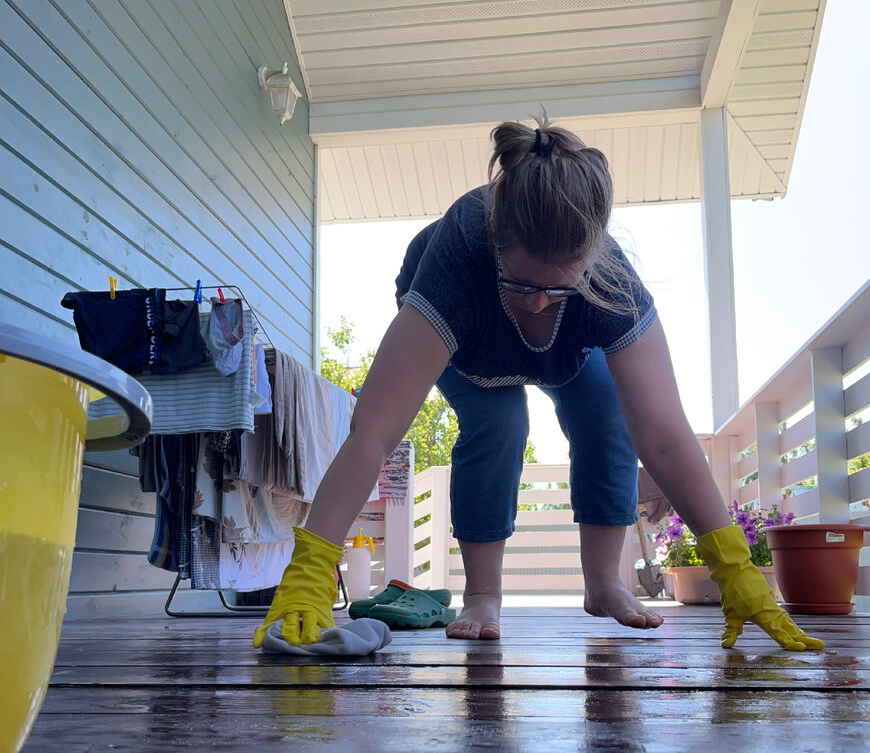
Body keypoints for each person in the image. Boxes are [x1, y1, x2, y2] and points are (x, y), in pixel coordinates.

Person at [254, 113, 823, 654]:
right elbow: (373, 432)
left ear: (592, 257)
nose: (542, 302)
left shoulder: (612, 284)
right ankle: (483, 595)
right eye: (527, 284)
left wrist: (732, 563)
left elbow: (667, 438)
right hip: (471, 341)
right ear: (498, 237)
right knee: (501, 422)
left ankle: (604, 583)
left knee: (605, 410)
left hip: (568, 351)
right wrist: (310, 568)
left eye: (561, 288)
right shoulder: (458, 263)